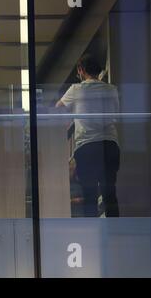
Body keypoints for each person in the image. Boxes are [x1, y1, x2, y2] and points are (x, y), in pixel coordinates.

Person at [56, 54, 121, 217]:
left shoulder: (76, 89)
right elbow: (115, 115)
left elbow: (57, 107)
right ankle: (116, 234)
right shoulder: (111, 89)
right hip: (110, 144)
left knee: (90, 195)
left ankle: (92, 236)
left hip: (87, 146)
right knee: (110, 193)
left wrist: (73, 114)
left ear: (80, 70)